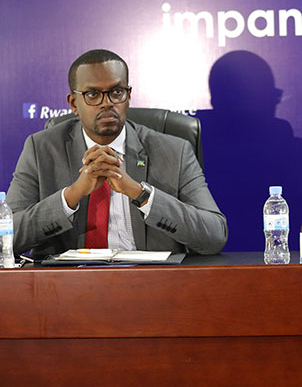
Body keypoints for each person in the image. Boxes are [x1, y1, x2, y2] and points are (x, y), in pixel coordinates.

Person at [7, 49, 228, 258]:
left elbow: (214, 236)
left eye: (116, 92)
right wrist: (73, 194)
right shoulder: (41, 149)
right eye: (93, 94)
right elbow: (5, 239)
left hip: (151, 286)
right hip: (67, 288)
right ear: (74, 103)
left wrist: (139, 194)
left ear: (128, 95)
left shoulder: (174, 151)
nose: (107, 103)